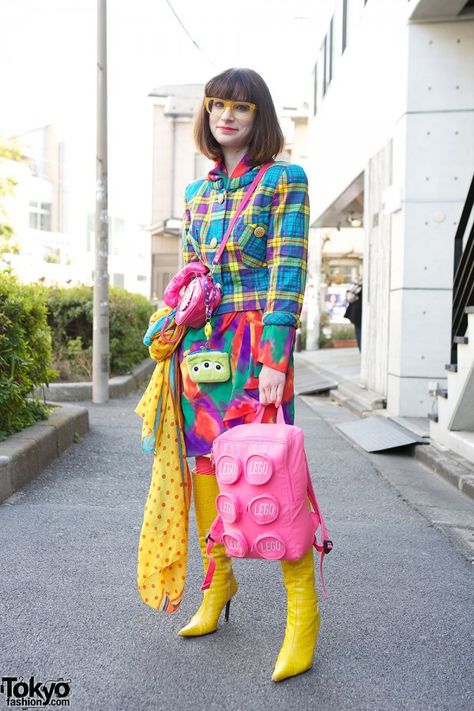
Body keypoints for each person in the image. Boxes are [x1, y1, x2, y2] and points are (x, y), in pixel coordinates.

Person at [176, 67, 318, 682]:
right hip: (204, 349)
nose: (226, 117)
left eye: (240, 107)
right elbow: (189, 280)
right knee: (206, 467)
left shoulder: (286, 179)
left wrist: (275, 359)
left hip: (260, 342)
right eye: (216, 106)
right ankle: (216, 587)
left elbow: (290, 271)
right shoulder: (196, 194)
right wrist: (177, 345)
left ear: (260, 116)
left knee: (272, 472)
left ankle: (302, 616)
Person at [344, 277, 363, 351]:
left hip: (355, 312)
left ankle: (361, 350)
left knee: (359, 331)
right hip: (359, 311)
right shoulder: (364, 282)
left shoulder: (358, 281)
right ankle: (362, 350)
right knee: (360, 332)